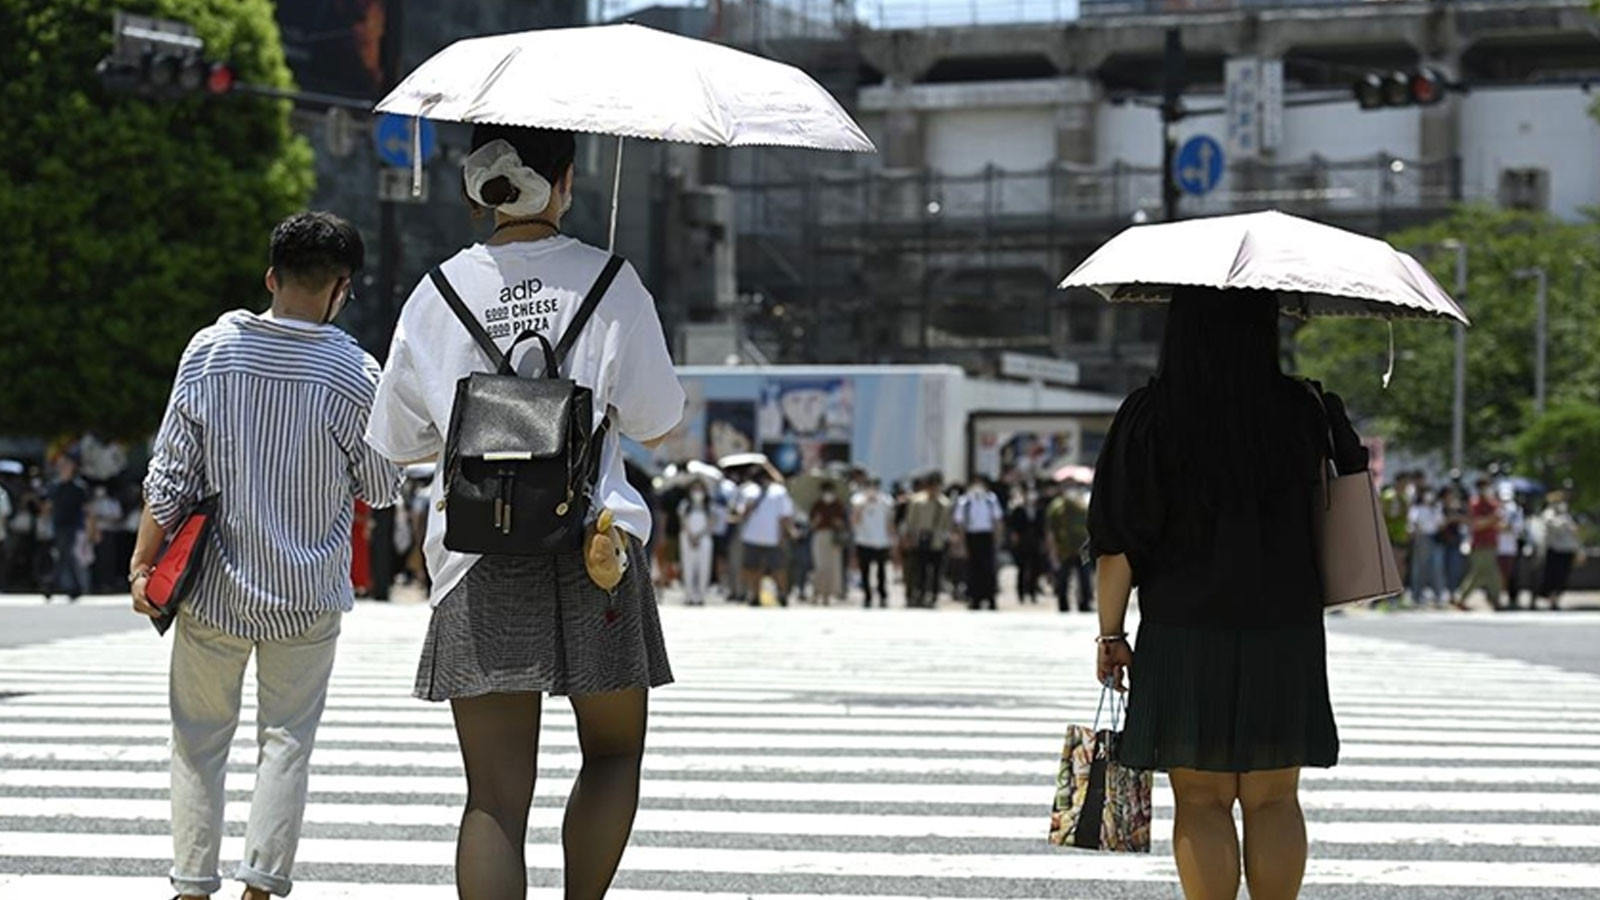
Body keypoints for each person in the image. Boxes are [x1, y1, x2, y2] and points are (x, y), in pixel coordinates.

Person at [364, 125, 684, 900]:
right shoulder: (611, 281)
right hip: (595, 541)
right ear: (566, 180)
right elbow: (656, 420)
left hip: (478, 548)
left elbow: (398, 440)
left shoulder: (436, 292)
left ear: (478, 185)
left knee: (494, 797)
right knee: (613, 754)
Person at [129, 211, 401, 900]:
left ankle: (193, 885)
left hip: (214, 588)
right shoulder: (354, 374)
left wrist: (143, 564)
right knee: (286, 740)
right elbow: (381, 486)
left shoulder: (210, 351)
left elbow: (171, 472)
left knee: (198, 739)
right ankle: (260, 886)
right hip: (306, 595)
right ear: (341, 288)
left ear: (271, 278)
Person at [1090, 289, 1358, 900]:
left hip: (1183, 628)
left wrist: (1111, 633)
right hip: (1284, 625)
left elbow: (1116, 541)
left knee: (1201, 798)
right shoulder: (1301, 410)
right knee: (1274, 798)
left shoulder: (1152, 414)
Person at [739, 463, 795, 606]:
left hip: (773, 537)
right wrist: (748, 508)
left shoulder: (778, 491)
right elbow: (741, 514)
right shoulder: (748, 491)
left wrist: (783, 535)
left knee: (778, 568)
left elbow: (784, 516)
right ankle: (755, 595)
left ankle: (782, 594)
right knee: (753, 568)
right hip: (752, 536)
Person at [44, 452, 92, 602]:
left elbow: (87, 509)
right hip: (57, 524)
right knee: (64, 555)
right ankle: (71, 586)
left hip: (74, 525)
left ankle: (54, 585)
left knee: (65, 554)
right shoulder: (54, 486)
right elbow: (48, 506)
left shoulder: (79, 487)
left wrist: (90, 528)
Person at [901, 473, 952, 608]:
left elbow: (947, 524)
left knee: (936, 570)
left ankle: (933, 596)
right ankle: (919, 594)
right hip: (920, 538)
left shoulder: (944, 503)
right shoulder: (917, 501)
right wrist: (909, 537)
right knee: (919, 569)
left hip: (937, 540)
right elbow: (911, 521)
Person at [953, 475, 1004, 610]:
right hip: (971, 536)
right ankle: (974, 598)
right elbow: (960, 524)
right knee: (972, 569)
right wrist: (962, 544)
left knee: (988, 569)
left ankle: (990, 597)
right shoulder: (964, 501)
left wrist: (997, 539)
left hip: (987, 536)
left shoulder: (991, 500)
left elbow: (997, 520)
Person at [1456, 478, 1504, 610]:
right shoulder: (1475, 504)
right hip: (1480, 545)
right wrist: (1492, 519)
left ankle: (1463, 598)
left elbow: (1499, 523)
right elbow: (1476, 524)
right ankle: (1493, 600)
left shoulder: (1493, 504)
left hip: (1491, 543)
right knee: (1485, 573)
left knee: (1485, 574)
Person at [1046, 483, 1093, 612]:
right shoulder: (1057, 507)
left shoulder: (1083, 505)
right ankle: (1067, 604)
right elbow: (1051, 530)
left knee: (1083, 578)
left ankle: (1081, 603)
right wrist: (1053, 549)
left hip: (1079, 549)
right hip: (1065, 549)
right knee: (1065, 578)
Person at [1534, 491, 1583, 611]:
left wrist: (1579, 550)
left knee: (1563, 577)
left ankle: (1555, 600)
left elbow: (1574, 533)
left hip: (1567, 550)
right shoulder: (1549, 514)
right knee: (1551, 576)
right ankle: (1549, 599)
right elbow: (1551, 528)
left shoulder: (1566, 515)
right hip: (1554, 550)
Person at [852, 477, 895, 608]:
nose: (872, 489)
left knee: (881, 571)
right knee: (865, 571)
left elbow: (889, 520)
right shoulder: (858, 500)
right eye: (869, 486)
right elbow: (855, 520)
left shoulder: (886, 501)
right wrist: (863, 505)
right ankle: (867, 596)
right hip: (864, 540)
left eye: (875, 486)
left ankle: (883, 596)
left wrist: (892, 538)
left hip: (881, 540)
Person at [1407, 486, 1451, 609]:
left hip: (1434, 538)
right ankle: (1417, 596)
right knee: (1419, 569)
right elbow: (1413, 524)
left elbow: (1441, 523)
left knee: (1437, 568)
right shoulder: (1417, 508)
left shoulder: (1436, 508)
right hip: (1422, 539)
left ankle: (1439, 596)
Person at [1006, 484, 1048, 604]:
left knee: (1035, 569)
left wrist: (1044, 542)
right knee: (1022, 568)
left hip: (1035, 542)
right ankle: (1021, 594)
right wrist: (1015, 540)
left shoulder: (1039, 510)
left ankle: (1033, 592)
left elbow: (1043, 528)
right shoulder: (1018, 510)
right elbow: (1013, 527)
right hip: (1022, 542)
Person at [808, 485, 848, 605]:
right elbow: (811, 524)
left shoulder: (838, 505)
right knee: (820, 566)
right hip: (820, 535)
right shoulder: (817, 505)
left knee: (832, 566)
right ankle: (816, 592)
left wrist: (837, 522)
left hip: (834, 537)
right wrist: (816, 520)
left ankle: (827, 595)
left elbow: (844, 523)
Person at [678, 482, 714, 606]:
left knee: (703, 566)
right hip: (687, 538)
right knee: (688, 566)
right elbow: (683, 522)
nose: (697, 493)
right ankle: (689, 595)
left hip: (704, 538)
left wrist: (699, 536)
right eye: (695, 489)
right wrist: (691, 536)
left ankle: (701, 596)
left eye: (700, 489)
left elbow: (711, 522)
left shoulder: (709, 506)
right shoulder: (685, 505)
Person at [1496, 485, 1528, 610]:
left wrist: (1505, 527)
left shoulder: (1516, 510)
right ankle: (1497, 598)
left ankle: (1511, 598)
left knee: (1511, 574)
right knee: (1497, 574)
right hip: (1497, 546)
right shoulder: (1496, 508)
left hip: (1511, 547)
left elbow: (1516, 528)